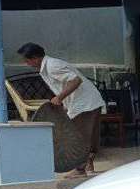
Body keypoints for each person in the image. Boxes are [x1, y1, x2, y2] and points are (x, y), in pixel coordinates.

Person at [17, 43, 106, 177]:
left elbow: (75, 81)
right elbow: (65, 84)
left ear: (35, 57)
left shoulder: (52, 66)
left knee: (78, 137)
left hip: (85, 104)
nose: (26, 63)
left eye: (27, 60)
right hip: (85, 103)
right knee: (86, 135)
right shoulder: (47, 67)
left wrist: (59, 97)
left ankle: (80, 169)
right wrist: (64, 102)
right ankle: (87, 166)